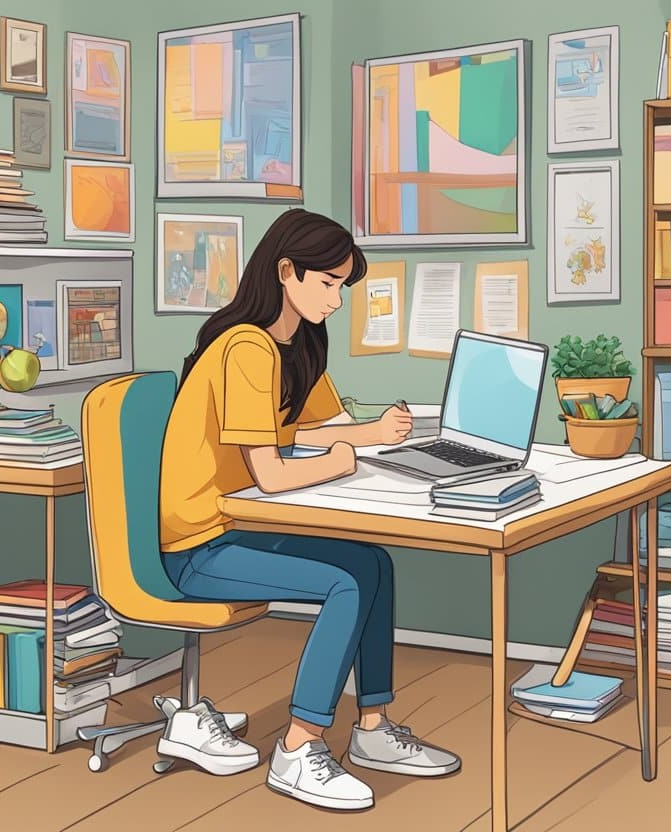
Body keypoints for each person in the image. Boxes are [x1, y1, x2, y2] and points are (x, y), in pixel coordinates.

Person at [157, 209, 460, 811]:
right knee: (348, 580)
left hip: (238, 526)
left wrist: (381, 433)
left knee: (373, 563)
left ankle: (371, 731)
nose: (337, 300)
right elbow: (272, 472)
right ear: (286, 271)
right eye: (327, 284)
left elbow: (321, 429)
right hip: (200, 543)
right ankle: (298, 750)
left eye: (342, 287)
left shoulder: (297, 342)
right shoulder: (246, 347)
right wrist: (343, 461)